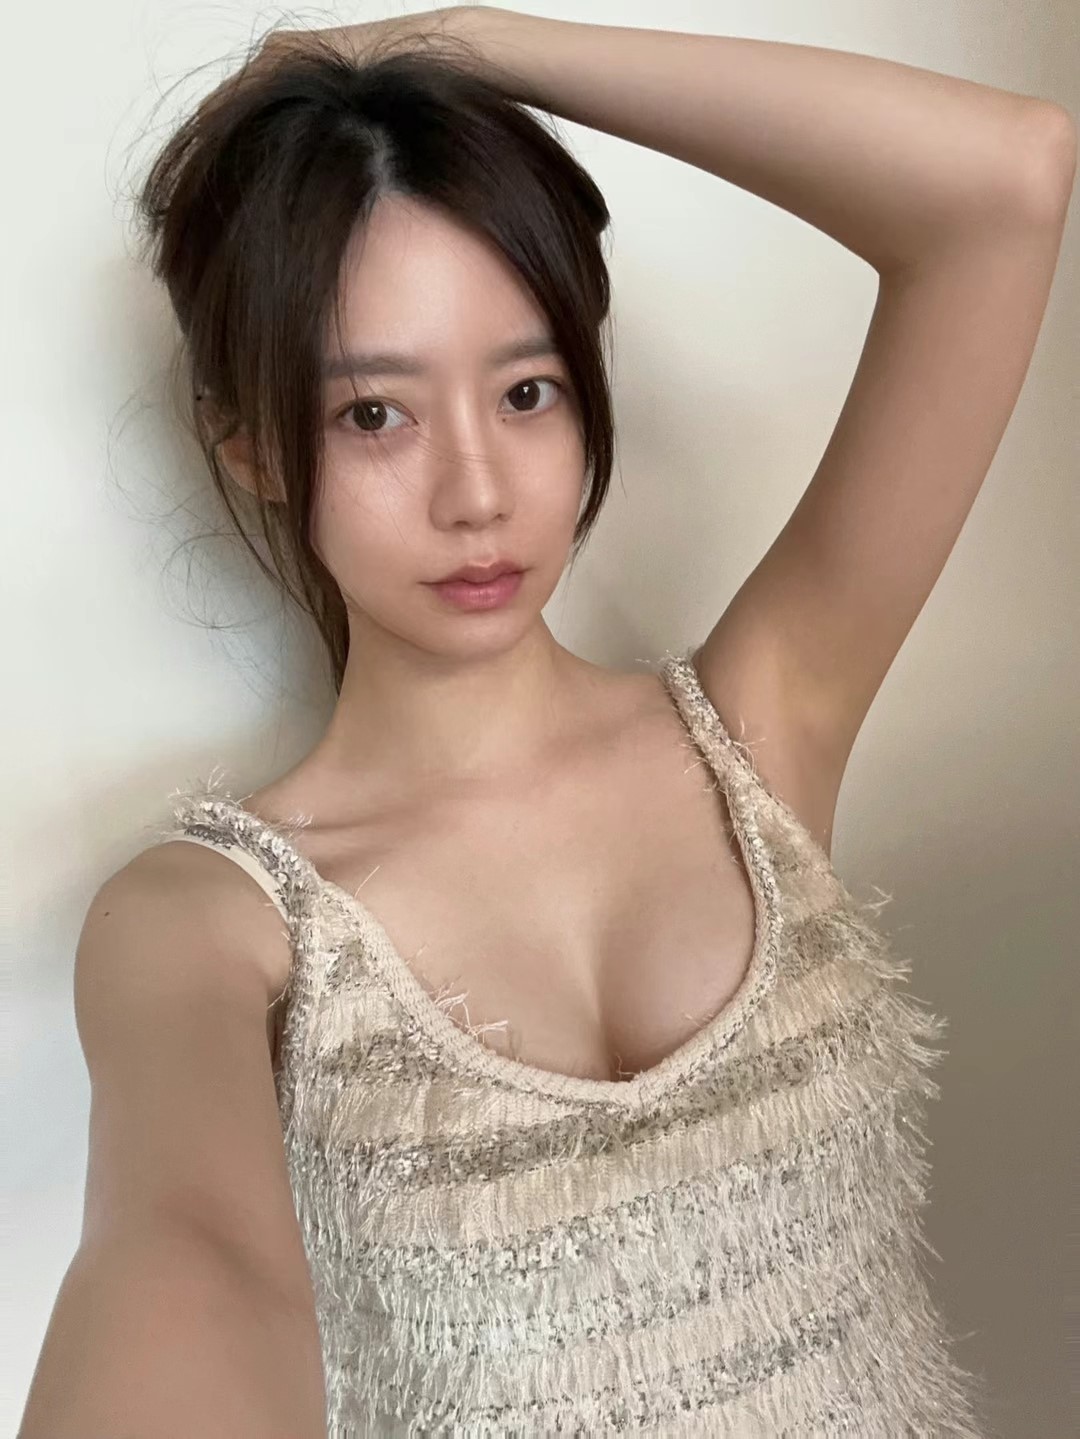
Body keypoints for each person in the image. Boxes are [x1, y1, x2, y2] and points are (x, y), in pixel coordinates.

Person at [21, 6, 1074, 1435]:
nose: (477, 493)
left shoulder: (759, 729)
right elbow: (189, 1265)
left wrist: (459, 43)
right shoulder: (206, 924)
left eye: (528, 392)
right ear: (254, 444)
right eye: (375, 415)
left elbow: (1006, 178)